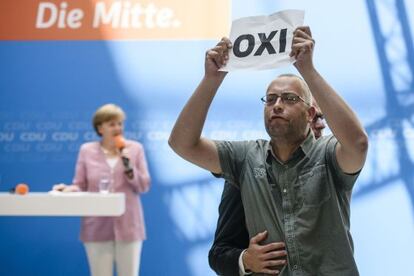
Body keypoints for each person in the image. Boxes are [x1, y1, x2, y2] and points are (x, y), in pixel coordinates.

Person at [169, 26, 368, 276]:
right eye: (271, 99)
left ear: (310, 114)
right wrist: (211, 79)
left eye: (289, 99)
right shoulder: (245, 157)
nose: (277, 105)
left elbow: (358, 143)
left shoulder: (329, 154)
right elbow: (182, 144)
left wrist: (307, 69)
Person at [209, 103, 326, 276]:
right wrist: (245, 260)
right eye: (313, 116)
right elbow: (218, 254)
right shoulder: (247, 171)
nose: (321, 124)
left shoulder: (330, 167)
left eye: (322, 117)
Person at [53, 104, 151, 276]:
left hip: (129, 225)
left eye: (120, 123)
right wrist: (67, 189)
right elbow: (80, 185)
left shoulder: (135, 149)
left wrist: (129, 167)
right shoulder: (87, 150)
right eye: (112, 124)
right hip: (96, 226)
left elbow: (143, 186)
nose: (118, 128)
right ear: (100, 127)